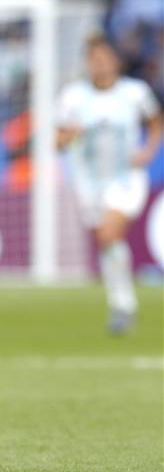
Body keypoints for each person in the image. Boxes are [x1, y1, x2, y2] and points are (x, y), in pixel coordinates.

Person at [56, 34, 162, 334]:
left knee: (108, 234)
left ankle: (123, 304)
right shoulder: (72, 97)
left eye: (104, 58)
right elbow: (58, 142)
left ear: (115, 61)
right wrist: (68, 135)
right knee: (107, 241)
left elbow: (155, 120)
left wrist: (148, 150)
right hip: (89, 183)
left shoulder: (135, 92)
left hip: (127, 178)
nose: (99, 65)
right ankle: (121, 303)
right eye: (93, 60)